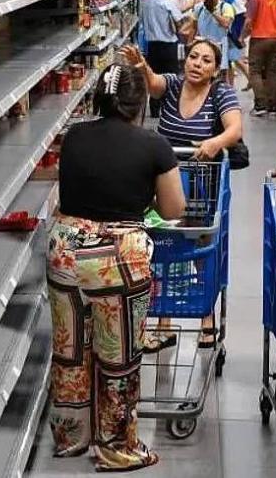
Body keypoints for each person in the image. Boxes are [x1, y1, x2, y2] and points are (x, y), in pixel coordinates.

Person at [48, 63, 185, 471]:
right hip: (117, 259)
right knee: (118, 356)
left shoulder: (74, 137)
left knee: (70, 350)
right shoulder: (153, 145)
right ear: (138, 102)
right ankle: (115, 445)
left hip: (65, 250)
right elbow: (173, 208)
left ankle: (71, 437)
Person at [123, 40, 244, 351]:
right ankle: (163, 319)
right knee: (163, 245)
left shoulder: (221, 93)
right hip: (166, 181)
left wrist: (216, 143)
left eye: (206, 60)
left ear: (215, 69)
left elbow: (234, 130)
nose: (197, 64)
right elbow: (152, 84)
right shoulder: (174, 85)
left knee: (203, 245)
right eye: (193, 57)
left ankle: (206, 317)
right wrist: (141, 64)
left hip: (205, 183)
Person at [141, 0, 186, 118]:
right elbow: (179, 21)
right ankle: (170, 109)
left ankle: (154, 110)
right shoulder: (168, 1)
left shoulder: (146, 2)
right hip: (168, 46)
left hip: (152, 47)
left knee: (154, 78)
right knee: (171, 78)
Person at [192, 0, 235, 77]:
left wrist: (212, 12)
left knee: (219, 75)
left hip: (219, 45)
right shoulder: (199, 7)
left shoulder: (225, 7)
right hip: (203, 45)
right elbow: (193, 27)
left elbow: (226, 24)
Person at [224, 0, 255, 87]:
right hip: (233, 34)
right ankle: (250, 80)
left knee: (232, 60)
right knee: (235, 60)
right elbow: (246, 16)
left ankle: (231, 85)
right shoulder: (235, 0)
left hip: (232, 34)